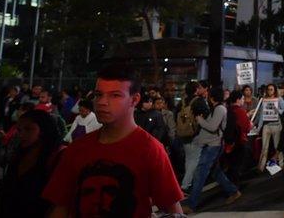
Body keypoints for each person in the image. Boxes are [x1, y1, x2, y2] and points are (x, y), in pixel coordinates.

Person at [42, 64, 183, 217]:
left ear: (134, 99)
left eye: (115, 95)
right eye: (98, 94)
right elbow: (60, 207)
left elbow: (173, 210)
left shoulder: (151, 150)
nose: (102, 102)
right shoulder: (77, 149)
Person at [182, 85, 241, 213]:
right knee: (216, 172)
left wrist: (200, 120)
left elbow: (213, 127)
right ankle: (233, 191)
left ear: (212, 97)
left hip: (213, 146)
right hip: (209, 145)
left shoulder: (220, 109)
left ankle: (191, 205)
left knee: (200, 174)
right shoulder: (216, 108)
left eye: (208, 94)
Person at [0, 109, 64, 218]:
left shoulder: (57, 156)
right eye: (19, 130)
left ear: (43, 130)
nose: (21, 134)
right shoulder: (20, 153)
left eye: (28, 129)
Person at [255, 83, 284, 171]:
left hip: (276, 125)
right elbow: (261, 115)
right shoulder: (264, 100)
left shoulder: (279, 99)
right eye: (268, 89)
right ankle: (261, 167)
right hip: (266, 125)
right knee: (264, 147)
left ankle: (281, 165)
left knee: (277, 147)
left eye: (271, 89)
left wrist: (277, 110)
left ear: (275, 90)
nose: (270, 91)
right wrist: (259, 127)